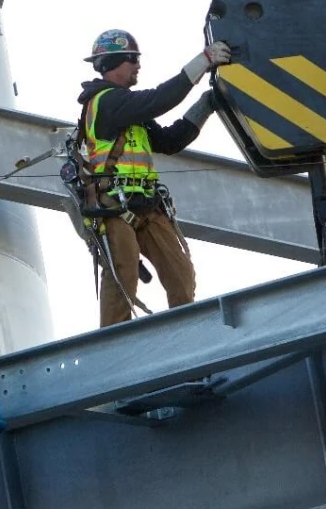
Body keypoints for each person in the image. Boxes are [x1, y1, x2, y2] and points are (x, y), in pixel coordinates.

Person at [73, 29, 231, 327]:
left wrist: (207, 105)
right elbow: (160, 99)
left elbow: (170, 141)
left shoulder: (129, 111)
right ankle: (112, 348)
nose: (138, 66)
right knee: (123, 274)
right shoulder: (106, 103)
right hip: (114, 207)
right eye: (132, 59)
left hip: (146, 203)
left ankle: (185, 340)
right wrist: (203, 62)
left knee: (181, 275)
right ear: (113, 63)